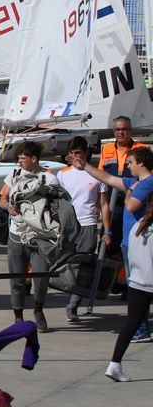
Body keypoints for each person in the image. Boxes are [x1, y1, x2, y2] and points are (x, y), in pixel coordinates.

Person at [73, 143, 153, 345]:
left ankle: (142, 329)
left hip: (140, 245)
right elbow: (108, 178)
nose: (129, 167)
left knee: (139, 287)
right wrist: (85, 166)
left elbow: (132, 204)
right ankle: (141, 327)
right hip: (130, 243)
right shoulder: (136, 181)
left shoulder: (146, 183)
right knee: (137, 286)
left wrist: (128, 192)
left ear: (142, 163)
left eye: (132, 163)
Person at [0, 141, 60, 332]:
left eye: (23, 158)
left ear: (34, 159)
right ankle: (18, 316)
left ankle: (39, 310)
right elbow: (2, 199)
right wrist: (8, 207)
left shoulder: (49, 179)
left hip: (40, 235)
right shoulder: (14, 175)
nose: (19, 162)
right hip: (17, 233)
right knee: (16, 276)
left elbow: (58, 205)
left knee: (41, 276)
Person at [57, 136, 109, 322]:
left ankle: (73, 305)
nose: (74, 157)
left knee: (83, 266)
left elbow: (104, 205)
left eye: (77, 153)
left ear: (86, 153)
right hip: (68, 225)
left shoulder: (97, 174)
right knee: (66, 264)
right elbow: (59, 202)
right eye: (71, 153)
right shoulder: (63, 174)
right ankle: (67, 293)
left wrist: (107, 231)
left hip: (88, 224)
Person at [105, 203, 153, 382]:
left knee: (131, 325)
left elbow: (129, 253)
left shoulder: (138, 225)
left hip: (137, 282)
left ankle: (114, 364)